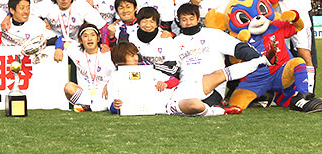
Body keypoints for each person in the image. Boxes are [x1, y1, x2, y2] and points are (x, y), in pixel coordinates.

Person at [106, 41, 271, 116]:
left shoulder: (147, 70)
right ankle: (218, 111)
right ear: (120, 58)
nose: (135, 58)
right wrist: (115, 106)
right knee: (195, 105)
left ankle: (263, 60)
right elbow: (111, 105)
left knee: (217, 75)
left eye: (135, 54)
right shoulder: (115, 78)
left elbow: (174, 81)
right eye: (131, 55)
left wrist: (166, 83)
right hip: (168, 105)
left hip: (177, 91)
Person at [249, 0, 314, 87]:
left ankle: (308, 89)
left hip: (297, 17)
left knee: (303, 52)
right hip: (278, 22)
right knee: (280, 56)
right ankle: (285, 90)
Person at [174, 3, 261, 106]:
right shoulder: (175, 42)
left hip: (214, 88)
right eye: (184, 20)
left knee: (199, 106)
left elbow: (239, 48)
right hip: (186, 88)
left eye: (191, 19)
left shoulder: (214, 34)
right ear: (179, 22)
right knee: (183, 106)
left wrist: (259, 58)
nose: (188, 23)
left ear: (198, 19)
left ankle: (218, 105)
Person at [58, 23, 115, 111]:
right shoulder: (76, 51)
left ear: (98, 39)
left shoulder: (108, 55)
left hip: (104, 94)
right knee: (69, 87)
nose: (89, 38)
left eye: (93, 35)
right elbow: (62, 39)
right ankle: (86, 105)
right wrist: (58, 49)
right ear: (80, 40)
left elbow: (117, 73)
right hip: (86, 94)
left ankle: (91, 106)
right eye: (85, 36)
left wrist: (109, 85)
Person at [125, 7, 180, 77]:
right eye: (144, 21)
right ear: (138, 23)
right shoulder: (131, 38)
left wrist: (151, 66)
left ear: (157, 24)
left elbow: (173, 69)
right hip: (139, 77)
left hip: (162, 79)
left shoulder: (166, 39)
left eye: (152, 22)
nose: (148, 25)